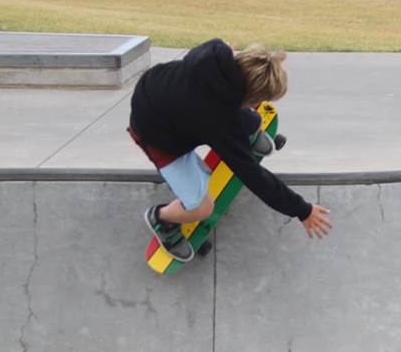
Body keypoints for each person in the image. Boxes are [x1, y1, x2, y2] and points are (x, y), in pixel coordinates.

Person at [129, 40, 332, 262]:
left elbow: (228, 82)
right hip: (157, 136)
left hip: (155, 86)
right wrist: (302, 209)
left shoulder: (217, 52)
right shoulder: (218, 121)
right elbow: (253, 176)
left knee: (248, 118)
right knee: (202, 207)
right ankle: (162, 219)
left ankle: (250, 129)